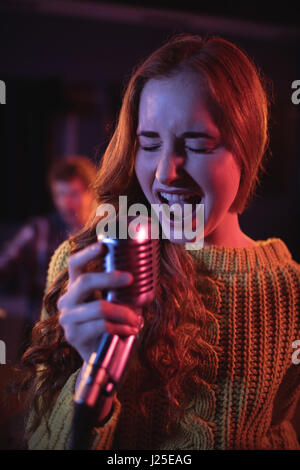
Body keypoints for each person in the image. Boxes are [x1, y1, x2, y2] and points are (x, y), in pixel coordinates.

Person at [17, 34, 300, 450]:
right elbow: (41, 440)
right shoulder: (87, 266)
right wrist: (94, 373)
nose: (166, 172)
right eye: (149, 143)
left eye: (198, 144)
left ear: (248, 144)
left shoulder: (289, 289)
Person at [0, 155, 96, 356]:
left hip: (89, 337)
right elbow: (4, 265)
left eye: (74, 193)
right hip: (40, 335)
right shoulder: (39, 230)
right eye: (60, 194)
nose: (66, 203)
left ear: (92, 193)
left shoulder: (103, 235)